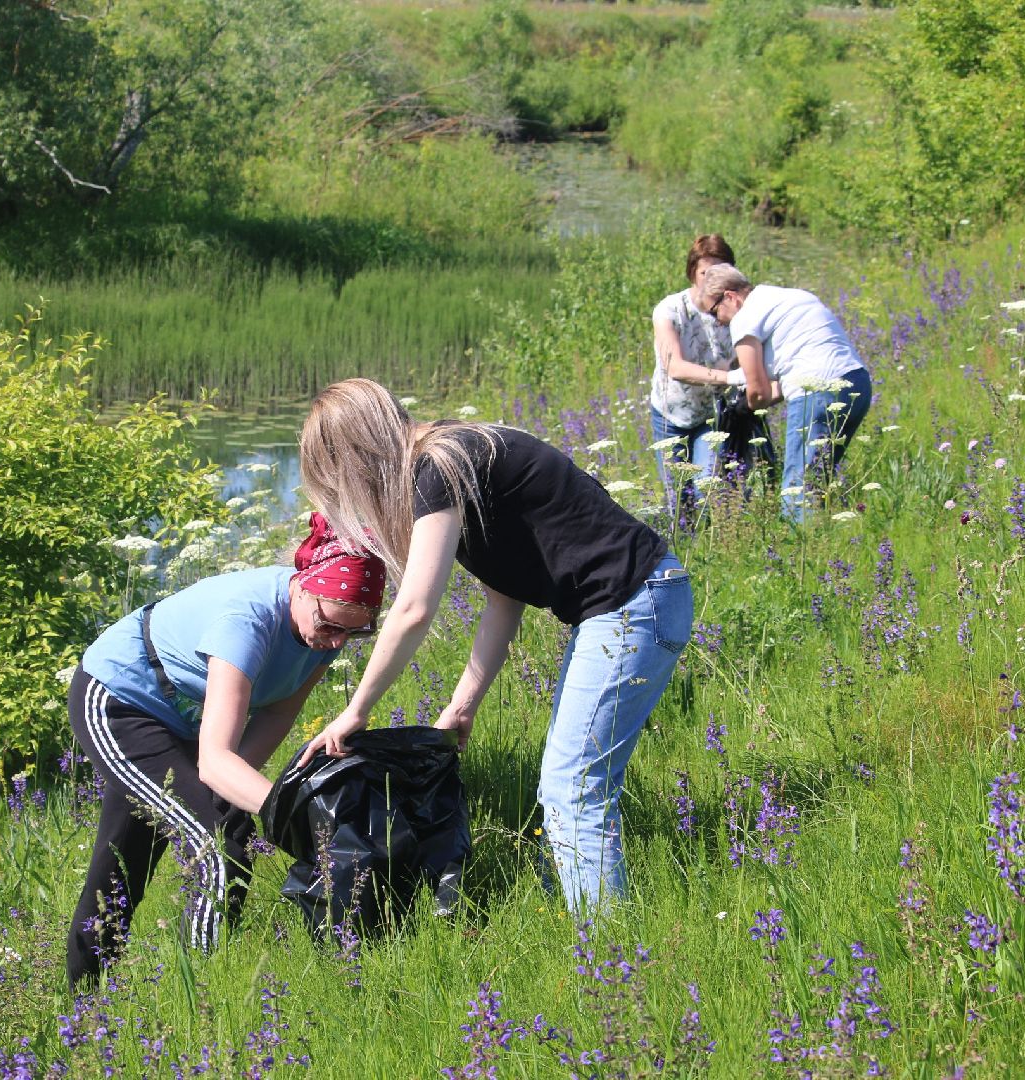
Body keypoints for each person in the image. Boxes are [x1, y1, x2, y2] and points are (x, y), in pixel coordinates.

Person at [298, 379, 693, 914]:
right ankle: (583, 925)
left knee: (573, 789)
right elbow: (504, 601)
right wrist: (463, 704)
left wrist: (355, 712)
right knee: (571, 786)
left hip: (634, 604)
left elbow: (414, 608)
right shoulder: (455, 459)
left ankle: (607, 957)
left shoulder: (439, 466)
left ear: (355, 453)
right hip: (636, 603)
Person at [66, 514, 384, 987]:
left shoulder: (327, 622)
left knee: (142, 850)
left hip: (187, 720)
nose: (336, 642)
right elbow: (215, 762)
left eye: (353, 634)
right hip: (121, 700)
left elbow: (277, 713)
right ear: (302, 587)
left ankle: (89, 1002)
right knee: (218, 845)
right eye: (331, 626)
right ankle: (195, 1001)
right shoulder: (248, 622)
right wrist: (304, 820)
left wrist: (233, 791)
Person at [692, 263, 872, 522]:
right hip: (857, 385)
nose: (718, 321)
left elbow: (758, 392)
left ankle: (799, 554)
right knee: (820, 482)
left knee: (798, 490)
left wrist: (742, 407)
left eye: (714, 311)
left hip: (818, 396)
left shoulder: (745, 317)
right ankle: (828, 546)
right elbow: (783, 381)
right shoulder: (793, 296)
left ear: (730, 296)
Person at [649, 234, 742, 516]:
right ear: (692, 272)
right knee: (678, 499)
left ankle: (717, 549)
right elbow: (674, 367)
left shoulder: (735, 309)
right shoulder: (670, 310)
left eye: (719, 271)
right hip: (670, 414)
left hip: (712, 415)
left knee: (707, 489)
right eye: (705, 272)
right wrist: (729, 378)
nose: (711, 279)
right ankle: (684, 555)